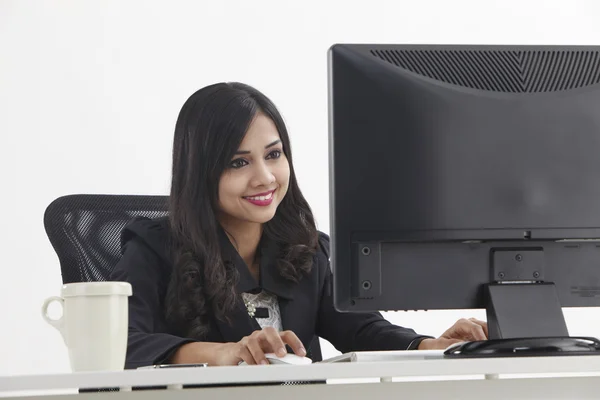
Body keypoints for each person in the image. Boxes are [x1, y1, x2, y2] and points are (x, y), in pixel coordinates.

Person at [110, 82, 488, 369]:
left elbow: (360, 329)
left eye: (274, 155)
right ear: (200, 173)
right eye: (238, 163)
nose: (265, 177)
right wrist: (228, 352)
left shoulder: (305, 248)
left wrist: (429, 344)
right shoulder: (152, 248)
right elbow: (120, 346)